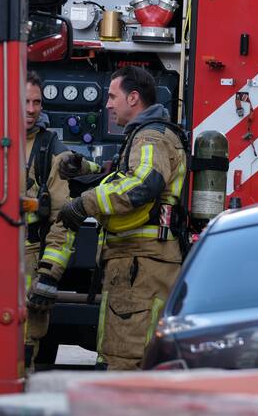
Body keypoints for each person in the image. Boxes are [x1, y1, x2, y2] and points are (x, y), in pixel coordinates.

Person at [55, 66, 188, 370]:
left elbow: (143, 183)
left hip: (142, 266)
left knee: (127, 360)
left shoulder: (151, 136)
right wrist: (84, 167)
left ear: (133, 98)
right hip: (140, 265)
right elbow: (121, 173)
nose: (108, 104)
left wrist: (83, 204)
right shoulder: (147, 135)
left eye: (113, 97)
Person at [22, 71, 75, 369]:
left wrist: (48, 274)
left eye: (37, 102)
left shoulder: (48, 150)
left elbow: (62, 219)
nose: (31, 109)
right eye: (24, 101)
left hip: (29, 256)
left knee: (26, 342)